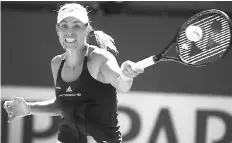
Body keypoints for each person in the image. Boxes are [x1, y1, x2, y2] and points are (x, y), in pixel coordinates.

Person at [3, 3, 144, 143]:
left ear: (87, 29)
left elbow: (121, 85)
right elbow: (62, 104)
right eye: (64, 26)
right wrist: (29, 108)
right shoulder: (56, 63)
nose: (70, 31)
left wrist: (126, 75)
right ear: (57, 30)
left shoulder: (99, 58)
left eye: (76, 26)